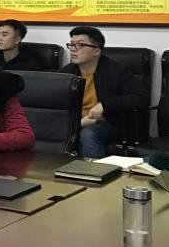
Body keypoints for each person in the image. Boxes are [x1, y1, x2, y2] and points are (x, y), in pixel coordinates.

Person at [59, 26, 143, 158]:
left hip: (106, 123)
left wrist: (104, 105)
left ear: (96, 51)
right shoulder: (65, 74)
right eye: (72, 44)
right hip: (73, 123)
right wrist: (76, 124)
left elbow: (139, 97)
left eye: (80, 45)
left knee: (88, 134)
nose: (73, 49)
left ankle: (95, 170)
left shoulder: (116, 71)